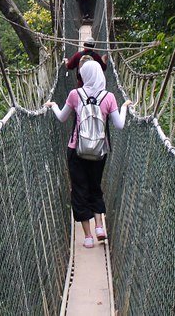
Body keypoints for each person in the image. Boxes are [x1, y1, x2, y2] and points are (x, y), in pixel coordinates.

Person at [45, 61, 132, 248]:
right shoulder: (108, 97)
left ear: (83, 76)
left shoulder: (75, 94)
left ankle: (88, 237)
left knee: (79, 190)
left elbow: (62, 117)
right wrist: (125, 107)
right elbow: (119, 125)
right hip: (100, 151)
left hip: (77, 149)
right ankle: (100, 227)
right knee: (95, 186)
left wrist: (52, 105)